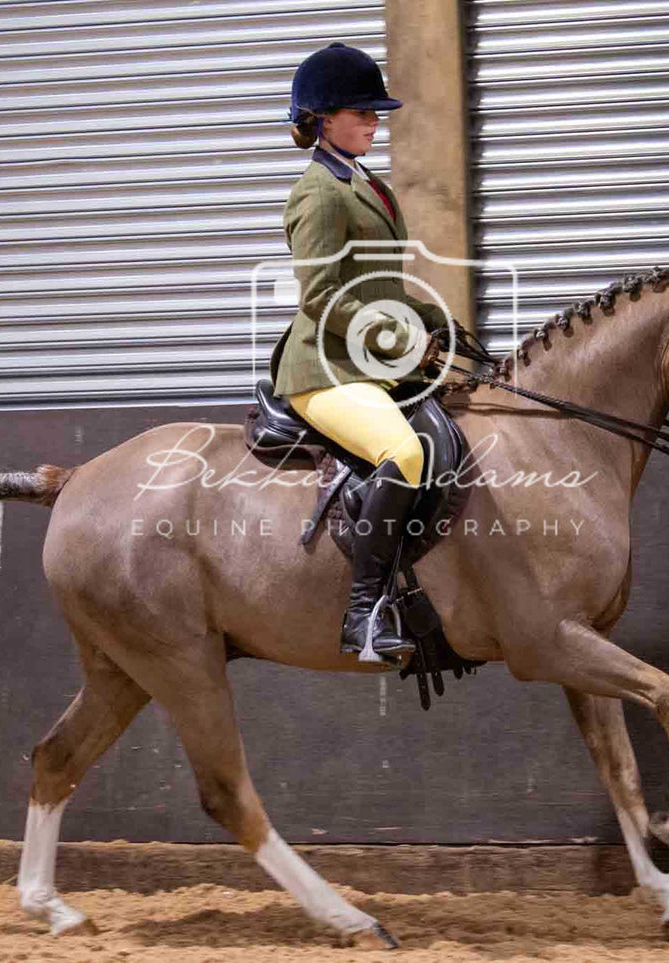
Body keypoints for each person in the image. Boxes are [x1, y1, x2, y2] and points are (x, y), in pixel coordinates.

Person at [267, 41, 452, 660]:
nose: (376, 123)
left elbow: (376, 287)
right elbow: (321, 297)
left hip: (367, 359)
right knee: (404, 452)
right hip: (323, 368)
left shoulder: (364, 182)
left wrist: (435, 320)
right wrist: (401, 339)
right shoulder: (319, 192)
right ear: (322, 119)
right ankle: (364, 615)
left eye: (377, 113)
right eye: (363, 113)